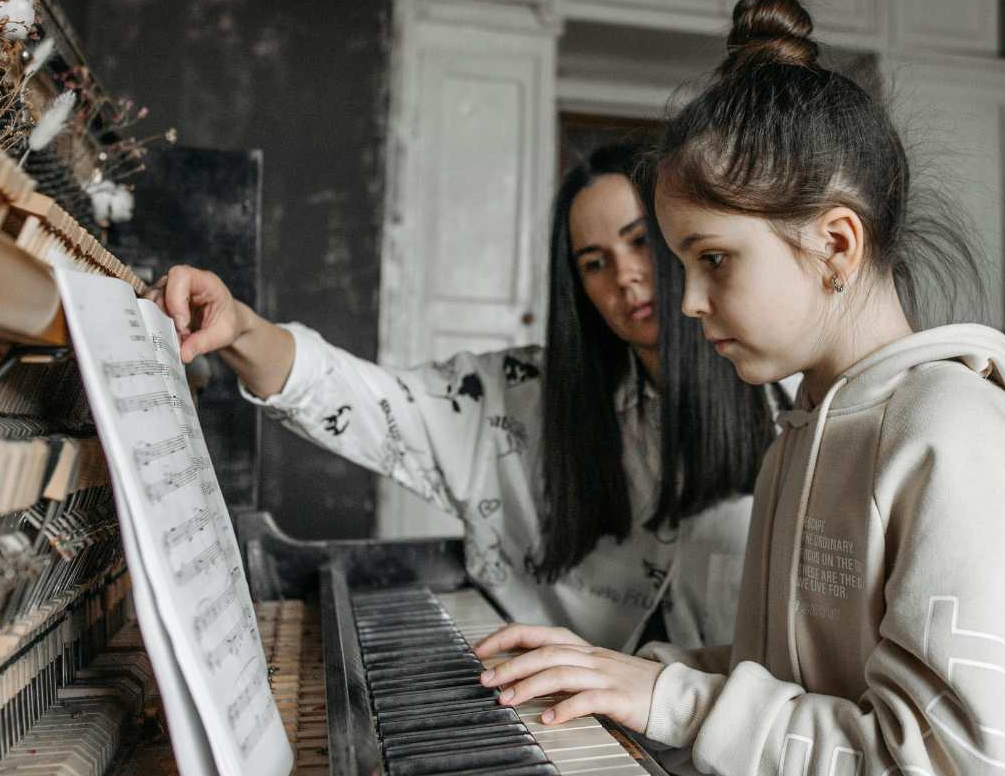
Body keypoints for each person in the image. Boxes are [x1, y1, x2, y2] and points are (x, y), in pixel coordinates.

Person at [477, 0, 1005, 776]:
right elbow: (809, 686)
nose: (685, 305)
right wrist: (632, 675)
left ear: (835, 243)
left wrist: (675, 702)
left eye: (714, 260)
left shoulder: (955, 442)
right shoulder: (801, 432)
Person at [150, 142, 777, 653]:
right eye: (594, 263)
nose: (625, 276)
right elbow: (368, 399)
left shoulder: (787, 399)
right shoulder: (520, 398)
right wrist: (242, 327)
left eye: (640, 241)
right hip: (585, 738)